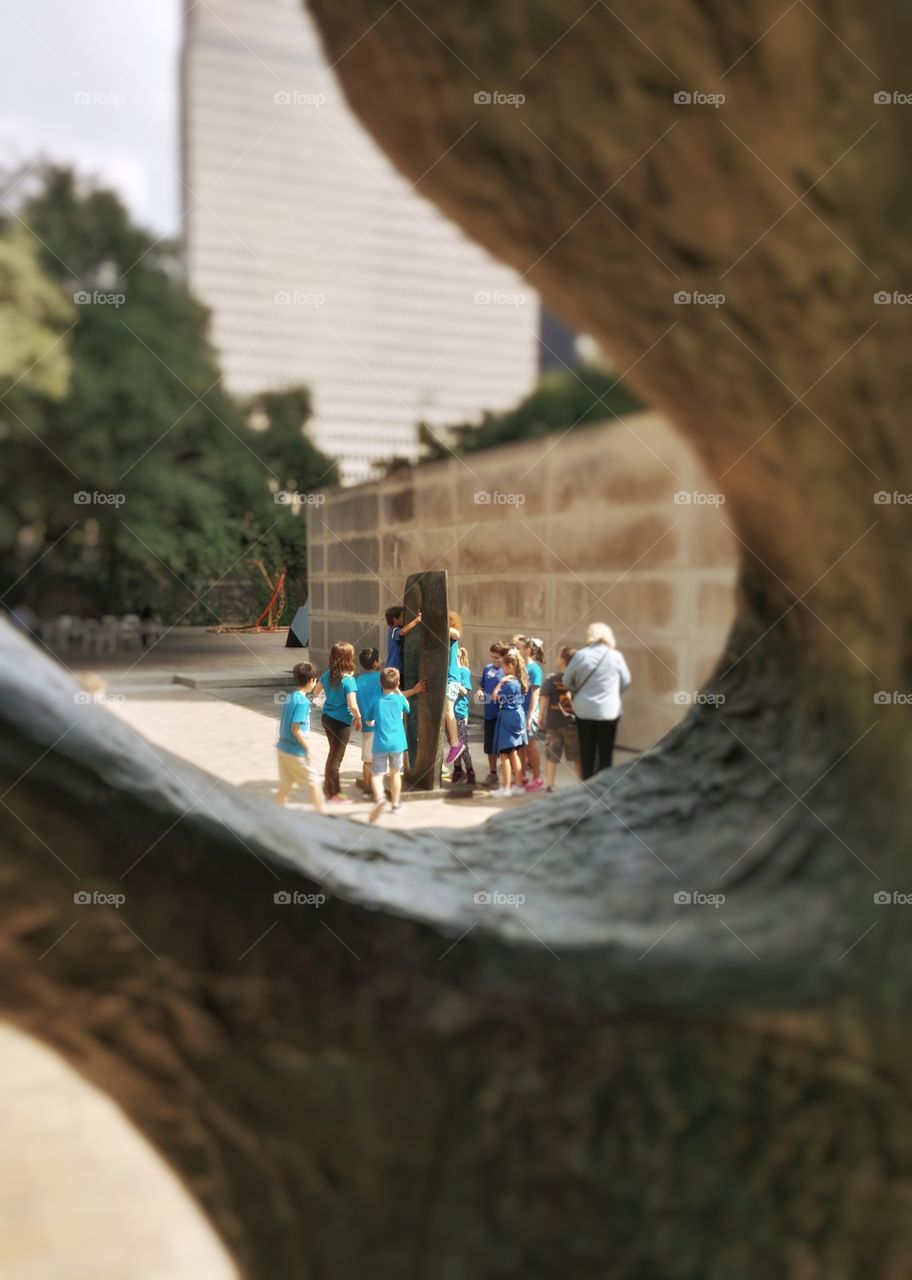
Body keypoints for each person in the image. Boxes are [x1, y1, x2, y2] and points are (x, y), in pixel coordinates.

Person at [562, 622, 631, 779]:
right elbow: (626, 681)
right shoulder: (616, 656)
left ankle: (588, 787)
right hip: (610, 711)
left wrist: (577, 690)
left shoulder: (581, 655)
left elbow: (566, 680)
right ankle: (603, 788)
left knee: (587, 751)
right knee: (606, 753)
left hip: (584, 710)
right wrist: (613, 693)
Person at [275, 662, 325, 812]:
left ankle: (275, 814)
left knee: (285, 786)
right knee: (314, 782)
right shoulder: (303, 701)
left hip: (282, 748)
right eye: (315, 680)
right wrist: (307, 747)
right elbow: (295, 728)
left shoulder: (291, 697)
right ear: (311, 681)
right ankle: (321, 815)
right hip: (295, 751)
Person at [319, 642, 362, 803]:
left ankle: (330, 789)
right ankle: (332, 794)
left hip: (326, 718)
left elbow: (316, 693)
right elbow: (352, 704)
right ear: (348, 658)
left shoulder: (327, 674)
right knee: (336, 759)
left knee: (333, 755)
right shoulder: (349, 680)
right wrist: (358, 718)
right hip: (341, 722)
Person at [369, 667, 410, 823]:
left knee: (377, 775)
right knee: (395, 774)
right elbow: (407, 706)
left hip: (380, 743)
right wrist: (398, 689)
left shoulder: (376, 700)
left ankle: (380, 798)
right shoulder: (399, 700)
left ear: (380, 682)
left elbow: (368, 718)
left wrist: (370, 721)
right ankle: (395, 804)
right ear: (398, 682)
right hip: (397, 743)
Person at [488, 648, 529, 797]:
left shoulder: (510, 683)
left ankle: (506, 788)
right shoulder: (519, 682)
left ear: (511, 666)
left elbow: (494, 697)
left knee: (504, 754)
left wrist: (500, 682)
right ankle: (518, 784)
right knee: (514, 754)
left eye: (504, 666)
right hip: (516, 717)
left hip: (508, 718)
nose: (503, 669)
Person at [540, 647, 582, 791]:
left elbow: (543, 698)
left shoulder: (551, 678)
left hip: (553, 724)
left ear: (563, 661)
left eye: (558, 657)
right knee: (576, 755)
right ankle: (582, 784)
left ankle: (550, 785)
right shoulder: (578, 679)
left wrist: (540, 716)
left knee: (551, 756)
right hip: (572, 723)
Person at [475, 641, 509, 786]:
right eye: (492, 656)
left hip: (502, 715)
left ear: (504, 657)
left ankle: (510, 778)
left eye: (497, 657)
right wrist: (480, 692)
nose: (493, 660)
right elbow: (482, 687)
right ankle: (493, 773)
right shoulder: (487, 669)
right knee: (489, 746)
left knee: (504, 747)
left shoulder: (508, 672)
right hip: (489, 713)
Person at [513, 635, 544, 791]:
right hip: (518, 710)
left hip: (528, 712)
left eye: (518, 648)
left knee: (530, 746)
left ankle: (537, 778)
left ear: (528, 650)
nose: (515, 650)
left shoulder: (535, 669)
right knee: (519, 746)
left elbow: (536, 694)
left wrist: (531, 715)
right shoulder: (520, 667)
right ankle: (522, 776)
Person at [355, 647, 383, 797]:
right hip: (382, 725)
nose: (381, 661)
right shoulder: (382, 678)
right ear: (375, 663)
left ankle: (367, 788)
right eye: (379, 659)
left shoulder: (357, 680)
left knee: (368, 759)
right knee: (382, 759)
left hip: (367, 726)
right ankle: (377, 788)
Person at [450, 645, 476, 786]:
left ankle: (470, 770)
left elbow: (465, 691)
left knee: (463, 744)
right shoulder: (448, 672)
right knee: (454, 744)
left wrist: (454, 683)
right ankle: (458, 770)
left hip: (460, 712)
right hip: (450, 713)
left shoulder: (464, 672)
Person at [443, 610, 465, 766]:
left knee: (448, 710)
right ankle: (454, 743)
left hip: (451, 678)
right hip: (447, 679)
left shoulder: (452, 635)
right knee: (446, 712)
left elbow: (455, 633)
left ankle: (456, 744)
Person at [385, 604, 422, 677]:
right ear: (395, 620)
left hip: (398, 668)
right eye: (402, 616)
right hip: (393, 668)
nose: (404, 618)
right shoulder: (393, 630)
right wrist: (417, 620)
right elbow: (402, 632)